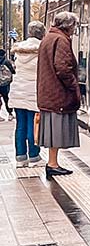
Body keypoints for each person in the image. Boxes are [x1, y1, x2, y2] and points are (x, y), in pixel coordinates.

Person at [37, 11, 82, 177]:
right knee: (56, 130)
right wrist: (74, 86)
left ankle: (53, 162)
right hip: (58, 94)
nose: (75, 29)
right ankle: (53, 164)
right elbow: (63, 68)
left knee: (52, 130)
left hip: (49, 92)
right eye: (74, 26)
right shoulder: (61, 40)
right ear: (69, 26)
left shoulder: (48, 38)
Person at [10, 22, 44, 167]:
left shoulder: (19, 50)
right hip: (33, 92)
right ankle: (34, 156)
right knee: (33, 124)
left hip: (18, 90)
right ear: (42, 33)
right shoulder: (42, 49)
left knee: (20, 125)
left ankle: (20, 157)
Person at [0, 49, 14, 121]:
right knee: (6, 99)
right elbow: (13, 71)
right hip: (5, 84)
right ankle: (10, 114)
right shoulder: (6, 61)